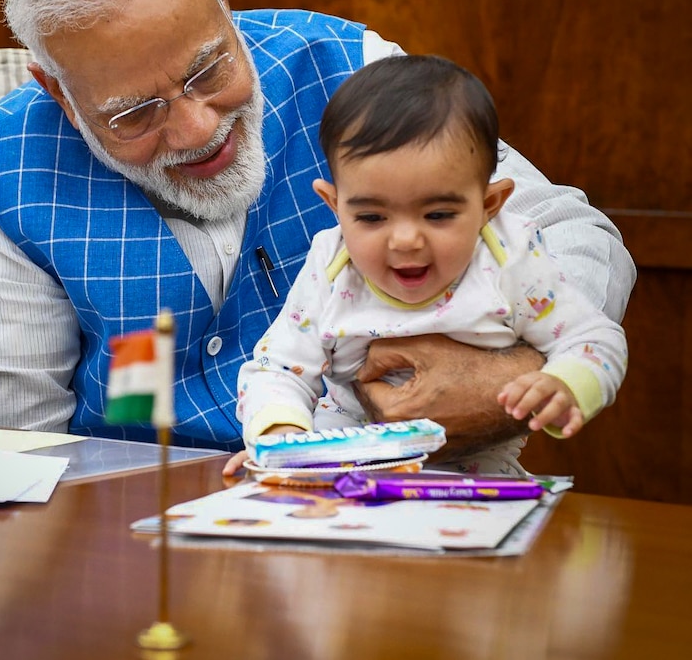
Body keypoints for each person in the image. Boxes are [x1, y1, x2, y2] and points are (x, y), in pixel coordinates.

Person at [0, 0, 635, 458]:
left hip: (393, 502)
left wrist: (509, 371)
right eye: (136, 113)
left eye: (209, 69)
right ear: (59, 94)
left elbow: (574, 233)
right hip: (135, 538)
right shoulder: (0, 171)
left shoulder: (348, 66)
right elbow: (12, 451)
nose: (198, 129)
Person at [232, 55, 627, 475]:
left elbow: (596, 338)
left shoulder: (509, 260)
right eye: (371, 217)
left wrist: (566, 381)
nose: (405, 240)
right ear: (334, 206)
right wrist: (279, 435)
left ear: (489, 205)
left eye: (438, 215)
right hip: (344, 454)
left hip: (474, 467)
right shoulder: (332, 268)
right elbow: (277, 367)